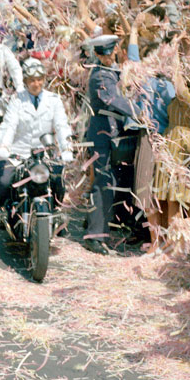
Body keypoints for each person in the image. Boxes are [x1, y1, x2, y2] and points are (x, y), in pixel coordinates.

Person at [0, 59, 72, 223]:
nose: (36, 84)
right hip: (19, 154)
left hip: (45, 155)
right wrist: (5, 146)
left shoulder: (54, 100)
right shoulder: (17, 100)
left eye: (39, 79)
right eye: (32, 80)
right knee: (4, 181)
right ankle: (3, 211)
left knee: (58, 180)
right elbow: (9, 125)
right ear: (26, 82)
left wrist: (66, 149)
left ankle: (55, 213)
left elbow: (61, 125)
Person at [81, 34, 138, 253]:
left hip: (111, 130)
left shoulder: (111, 70)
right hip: (101, 132)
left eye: (109, 53)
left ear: (114, 51)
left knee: (110, 180)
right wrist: (140, 112)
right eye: (101, 54)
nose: (106, 58)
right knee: (103, 181)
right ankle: (94, 236)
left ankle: (96, 223)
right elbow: (113, 100)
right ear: (96, 54)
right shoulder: (99, 76)